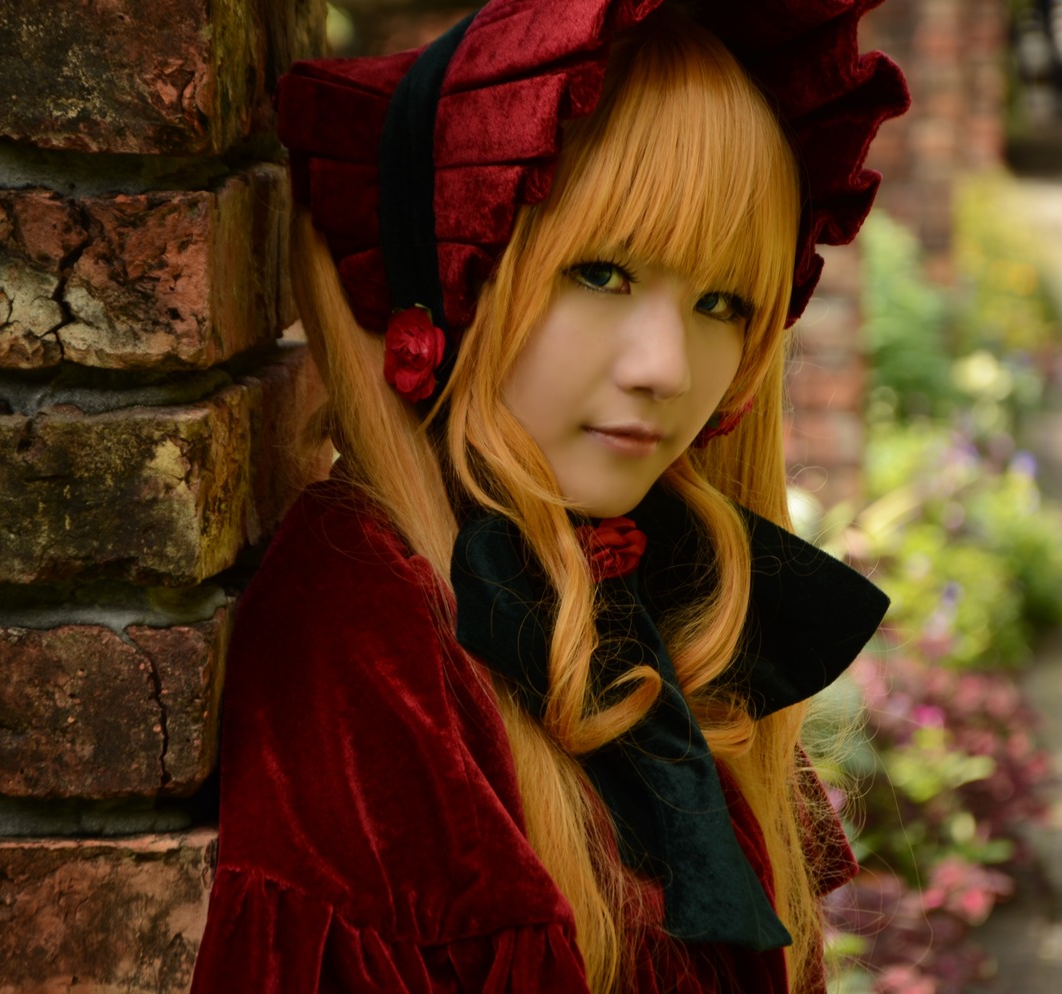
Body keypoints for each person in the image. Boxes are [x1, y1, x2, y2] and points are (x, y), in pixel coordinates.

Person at [190, 2, 907, 991]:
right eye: (601, 273)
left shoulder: (653, 573)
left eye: (721, 303)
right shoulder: (368, 622)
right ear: (453, 279)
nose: (665, 366)